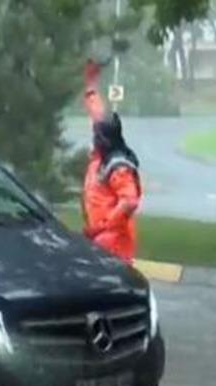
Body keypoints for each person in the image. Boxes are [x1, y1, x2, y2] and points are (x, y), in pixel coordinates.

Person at [82, 59, 142, 263]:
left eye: (98, 135)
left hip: (114, 244)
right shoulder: (103, 157)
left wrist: (104, 225)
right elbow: (98, 115)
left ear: (105, 139)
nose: (94, 138)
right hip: (101, 239)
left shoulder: (117, 165)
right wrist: (91, 85)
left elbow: (130, 201)